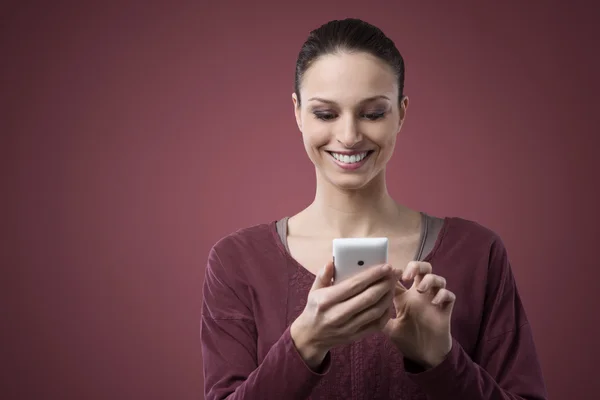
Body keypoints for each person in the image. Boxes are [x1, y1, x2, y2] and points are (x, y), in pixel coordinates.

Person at [200, 18, 548, 400]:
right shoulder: (237, 261)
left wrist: (441, 359)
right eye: (326, 114)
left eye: (372, 113)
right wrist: (304, 343)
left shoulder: (477, 253)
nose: (349, 136)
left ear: (401, 113)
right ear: (298, 112)